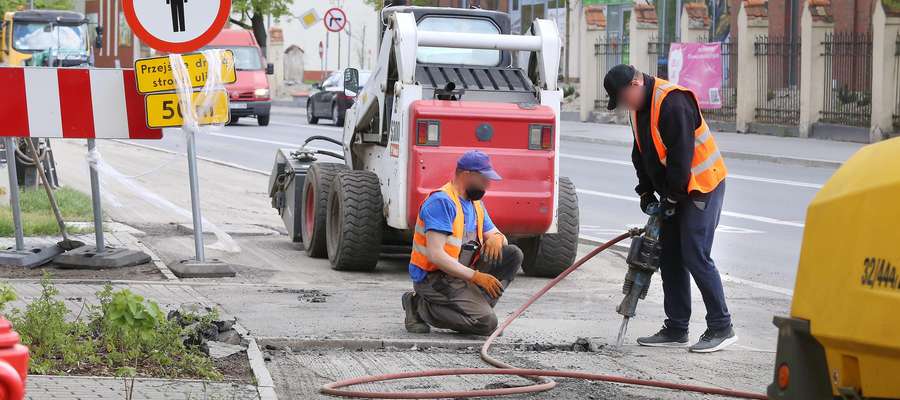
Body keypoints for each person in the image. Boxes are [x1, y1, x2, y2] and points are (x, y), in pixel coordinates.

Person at [603, 64, 736, 353]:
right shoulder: (637, 110)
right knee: (670, 256)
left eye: (625, 97)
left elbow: (681, 156)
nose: (625, 104)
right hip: (676, 189)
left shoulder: (672, 102)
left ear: (636, 83)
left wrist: (672, 199)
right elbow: (642, 153)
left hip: (702, 185)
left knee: (694, 253)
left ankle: (721, 326)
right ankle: (677, 328)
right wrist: (646, 191)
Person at [402, 150, 523, 336]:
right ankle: (418, 306)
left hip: (460, 275)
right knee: (486, 324)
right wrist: (476, 277)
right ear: (467, 175)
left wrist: (497, 238)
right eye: (484, 179)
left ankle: (477, 308)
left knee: (512, 254)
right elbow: (436, 255)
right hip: (435, 279)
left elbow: (498, 235)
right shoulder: (442, 202)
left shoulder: (475, 204)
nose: (488, 184)